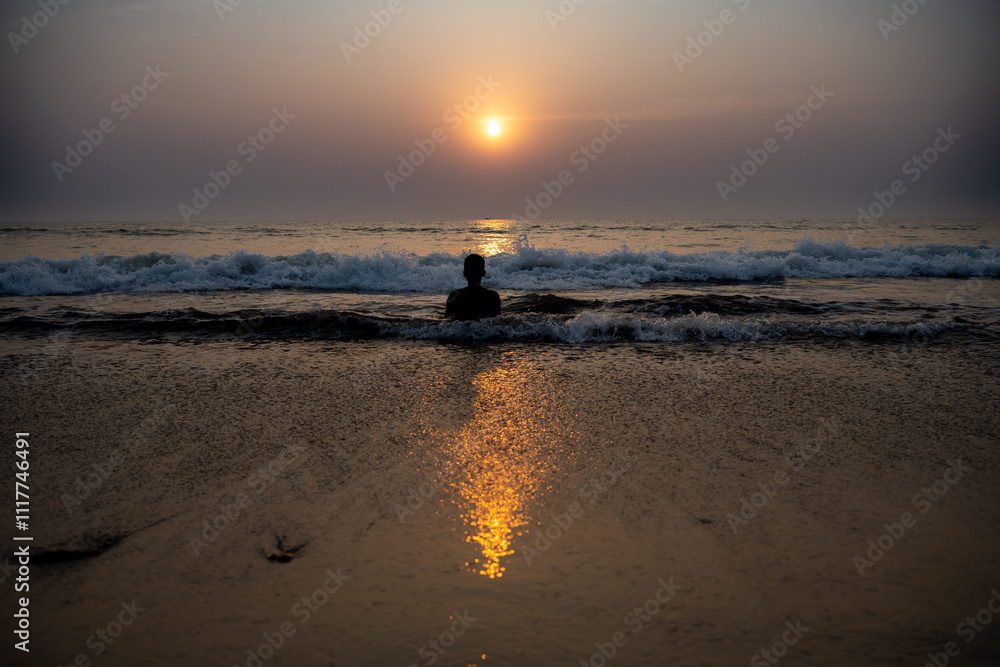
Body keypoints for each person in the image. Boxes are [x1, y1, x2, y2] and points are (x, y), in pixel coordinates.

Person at [446, 254, 501, 320]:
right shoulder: (493, 296)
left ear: (464, 274)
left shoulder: (455, 295)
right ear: (484, 273)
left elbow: (446, 321)